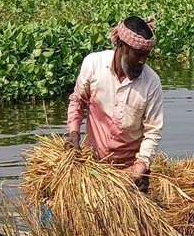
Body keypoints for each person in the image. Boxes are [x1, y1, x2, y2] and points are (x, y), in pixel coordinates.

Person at [66, 16, 164, 189]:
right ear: (121, 46)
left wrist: (140, 168)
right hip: (92, 165)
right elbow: (77, 101)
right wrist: (74, 135)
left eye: (146, 56)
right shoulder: (94, 65)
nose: (142, 61)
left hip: (128, 170)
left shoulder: (151, 83)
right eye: (138, 55)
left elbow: (153, 131)